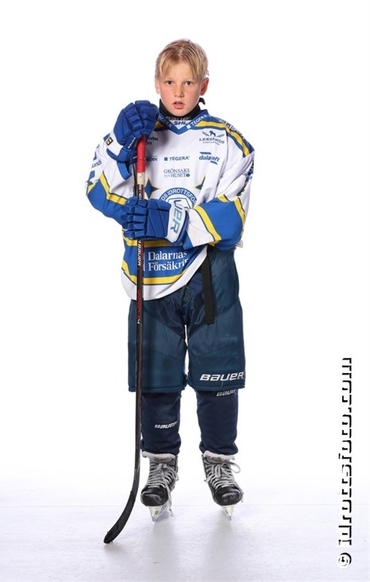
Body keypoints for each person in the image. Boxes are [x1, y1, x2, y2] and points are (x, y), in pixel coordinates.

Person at [86, 39, 255, 520]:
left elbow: (233, 218)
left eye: (188, 82)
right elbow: (98, 190)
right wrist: (119, 146)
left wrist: (168, 221)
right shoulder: (139, 136)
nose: (178, 91)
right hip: (150, 275)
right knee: (155, 376)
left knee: (218, 369)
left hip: (208, 274)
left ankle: (220, 463)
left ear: (204, 85)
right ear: (156, 84)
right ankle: (160, 465)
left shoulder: (229, 141)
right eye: (169, 81)